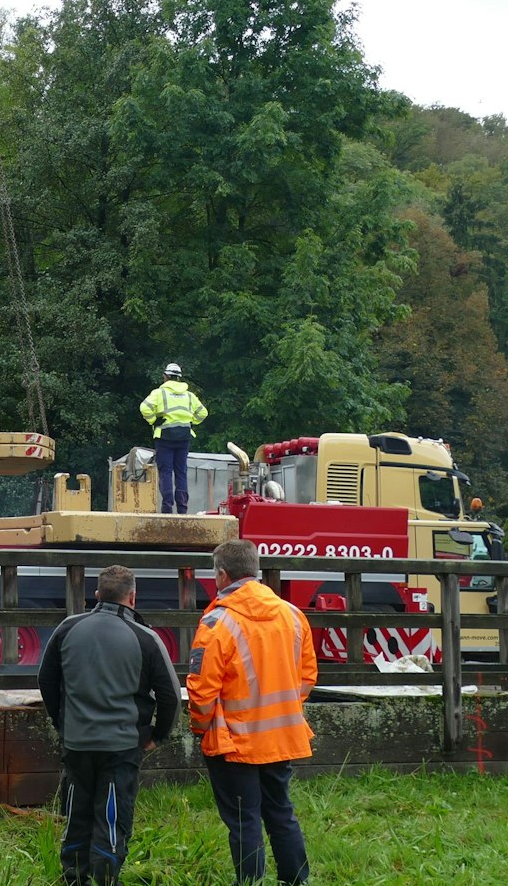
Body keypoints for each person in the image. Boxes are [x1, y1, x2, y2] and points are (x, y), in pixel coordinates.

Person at [37, 565, 181, 886]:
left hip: (76, 743)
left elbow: (46, 680)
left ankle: (73, 878)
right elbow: (171, 696)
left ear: (97, 595)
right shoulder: (147, 638)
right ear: (133, 596)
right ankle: (104, 880)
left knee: (77, 817)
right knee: (111, 822)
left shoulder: (67, 628)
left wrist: (61, 722)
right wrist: (157, 735)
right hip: (122, 747)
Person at [188, 539, 316, 885]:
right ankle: (296, 880)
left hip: (234, 742)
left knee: (244, 820)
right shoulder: (292, 615)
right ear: (255, 570)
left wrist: (201, 727)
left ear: (221, 574)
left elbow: (201, 688)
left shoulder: (218, 622)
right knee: (281, 812)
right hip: (281, 736)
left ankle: (250, 881)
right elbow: (307, 677)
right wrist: (285, 709)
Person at [139, 362, 208, 514]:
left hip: (165, 437)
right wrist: (190, 422)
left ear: (166, 376)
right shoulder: (189, 395)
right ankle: (182, 509)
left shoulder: (159, 393)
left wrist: (153, 420)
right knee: (181, 472)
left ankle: (167, 508)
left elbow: (144, 407)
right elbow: (203, 413)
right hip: (183, 437)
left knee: (165, 472)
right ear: (178, 378)